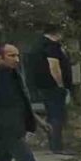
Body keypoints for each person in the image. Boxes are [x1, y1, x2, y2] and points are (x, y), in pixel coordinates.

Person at [25, 25, 74, 154]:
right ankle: (56, 146)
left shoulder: (36, 46)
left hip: (41, 86)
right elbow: (54, 67)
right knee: (56, 116)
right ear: (57, 34)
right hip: (52, 87)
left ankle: (54, 144)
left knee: (52, 114)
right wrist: (61, 84)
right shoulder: (51, 46)